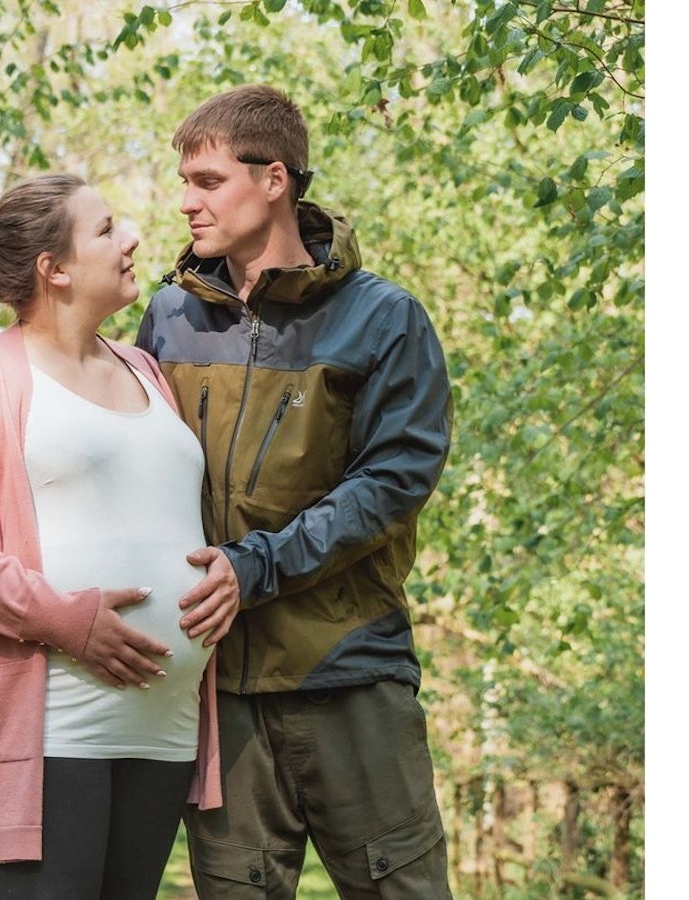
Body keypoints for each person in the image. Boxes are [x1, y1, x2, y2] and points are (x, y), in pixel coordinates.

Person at [135, 85, 455, 899]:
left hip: (349, 676)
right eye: (185, 182)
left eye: (207, 181)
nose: (186, 203)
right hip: (220, 692)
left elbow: (391, 484)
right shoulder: (168, 318)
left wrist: (255, 568)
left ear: (274, 178)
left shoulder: (383, 319)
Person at [0, 173, 238, 899]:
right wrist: (70, 622)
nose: (133, 240)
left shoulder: (147, 370)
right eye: (107, 230)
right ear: (53, 270)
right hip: (56, 731)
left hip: (163, 728)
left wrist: (225, 575)